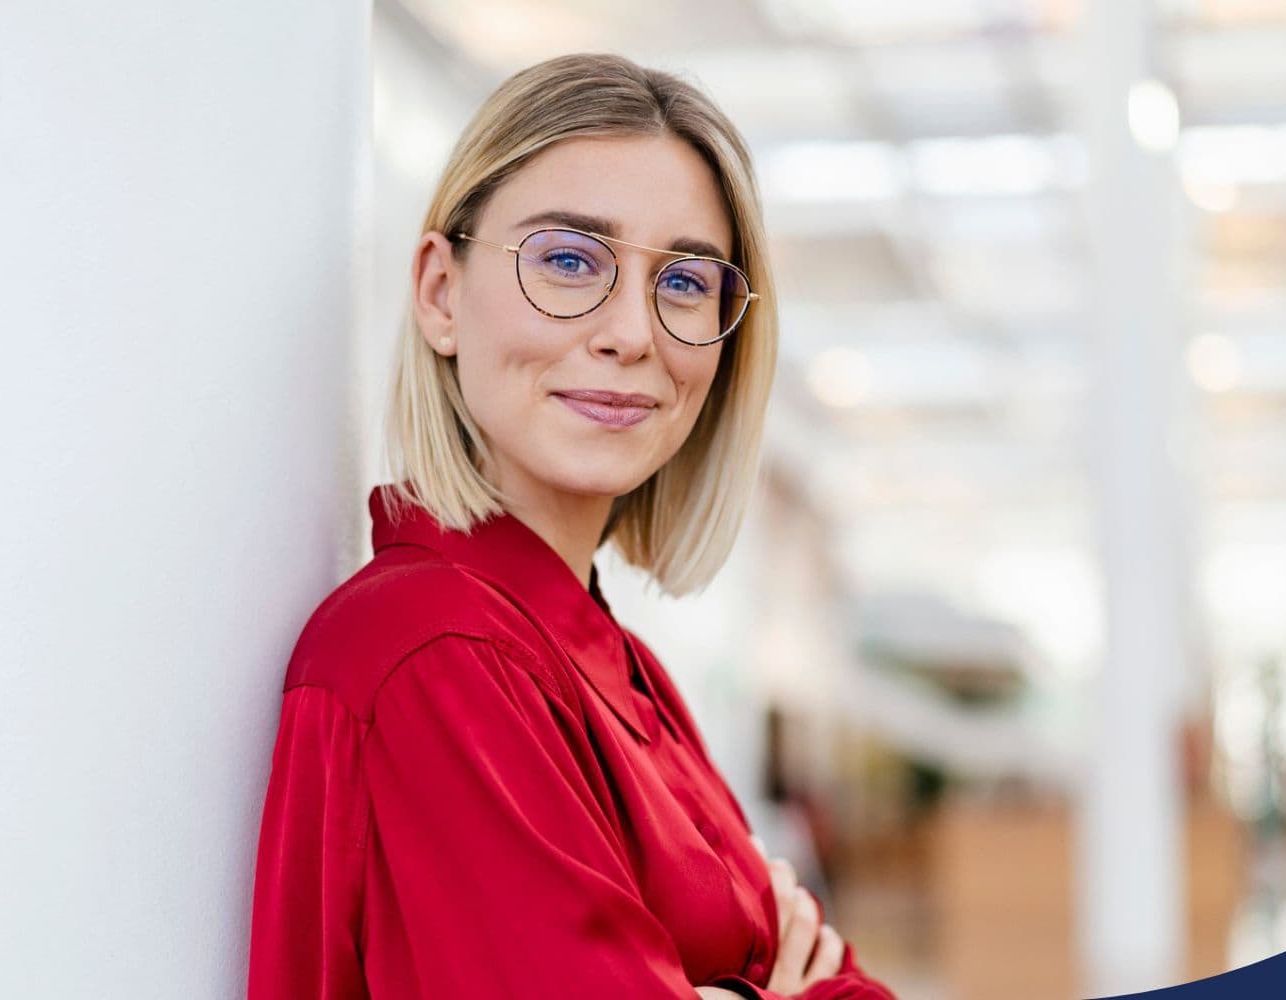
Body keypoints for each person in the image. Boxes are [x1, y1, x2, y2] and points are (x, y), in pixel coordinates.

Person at [245, 52, 900, 1000]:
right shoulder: (430, 653)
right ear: (440, 294)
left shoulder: (623, 671)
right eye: (567, 259)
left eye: (683, 282)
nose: (632, 332)